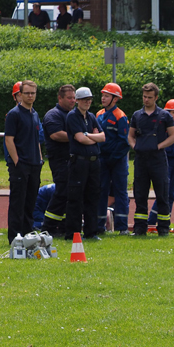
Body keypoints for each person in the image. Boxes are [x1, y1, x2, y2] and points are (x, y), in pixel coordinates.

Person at [127, 83, 174, 236]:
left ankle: (163, 228)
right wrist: (135, 147)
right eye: (144, 97)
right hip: (141, 160)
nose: (146, 100)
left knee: (162, 194)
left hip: (158, 159)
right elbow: (130, 135)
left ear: (156, 98)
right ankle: (140, 228)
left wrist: (159, 146)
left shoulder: (164, 116)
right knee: (140, 195)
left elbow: (173, 136)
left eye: (149, 97)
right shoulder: (137, 115)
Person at [4, 80, 44, 244]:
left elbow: (37, 140)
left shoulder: (34, 114)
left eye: (32, 93)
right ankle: (14, 237)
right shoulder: (14, 114)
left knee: (31, 201)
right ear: (20, 94)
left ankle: (28, 234)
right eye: (27, 93)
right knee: (17, 202)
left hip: (35, 164)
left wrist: (40, 159)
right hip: (21, 165)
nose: (30, 96)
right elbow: (9, 140)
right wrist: (17, 162)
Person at [65, 87, 105, 240]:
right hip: (79, 162)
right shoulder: (72, 116)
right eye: (84, 99)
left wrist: (89, 136)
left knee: (92, 197)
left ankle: (91, 232)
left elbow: (102, 137)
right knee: (75, 198)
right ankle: (73, 233)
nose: (87, 102)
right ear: (77, 101)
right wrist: (92, 136)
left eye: (89, 99)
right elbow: (80, 139)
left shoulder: (91, 116)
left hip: (94, 163)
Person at [40, 84, 76, 237]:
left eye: (74, 98)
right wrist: (78, 136)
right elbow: (56, 134)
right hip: (60, 161)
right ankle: (48, 227)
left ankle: (62, 227)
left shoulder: (74, 114)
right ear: (60, 98)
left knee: (70, 194)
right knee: (62, 193)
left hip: (73, 160)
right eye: (69, 98)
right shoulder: (53, 115)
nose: (73, 101)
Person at [96, 83, 130, 234]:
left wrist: (113, 158)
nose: (103, 98)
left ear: (115, 99)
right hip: (102, 160)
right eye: (103, 95)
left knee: (120, 191)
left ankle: (122, 227)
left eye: (107, 95)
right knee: (100, 191)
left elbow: (124, 142)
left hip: (117, 162)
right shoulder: (99, 114)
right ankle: (99, 225)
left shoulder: (121, 117)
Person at [148, 99, 174, 226]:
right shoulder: (162, 127)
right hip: (165, 164)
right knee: (163, 194)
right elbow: (167, 149)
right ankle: (152, 221)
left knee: (170, 195)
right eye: (173, 112)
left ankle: (164, 221)